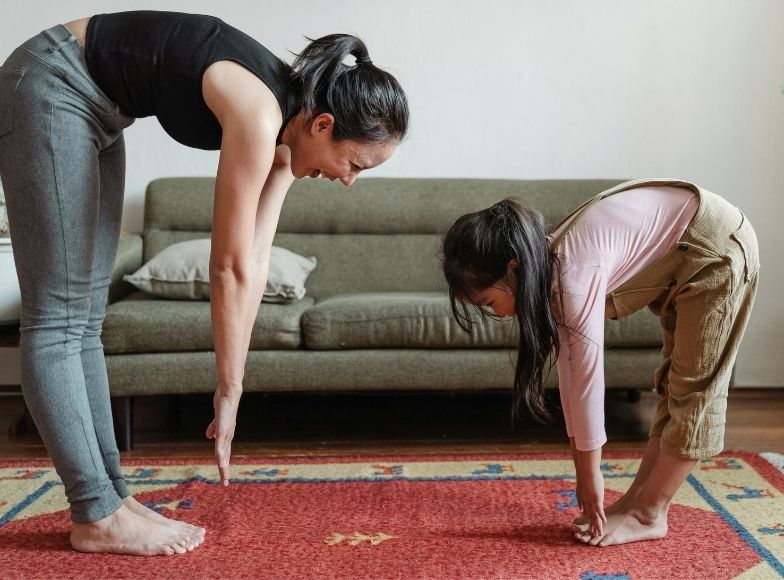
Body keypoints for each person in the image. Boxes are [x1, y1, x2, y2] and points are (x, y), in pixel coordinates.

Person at [0, 10, 408, 556]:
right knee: (58, 319)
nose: (349, 181)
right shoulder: (261, 114)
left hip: (100, 111)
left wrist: (234, 385)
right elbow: (228, 265)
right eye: (355, 163)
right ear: (323, 125)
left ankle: (111, 499)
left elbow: (256, 261)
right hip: (52, 84)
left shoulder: (287, 142)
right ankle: (95, 512)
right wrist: (227, 388)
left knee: (84, 322)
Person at [442, 178, 758, 547]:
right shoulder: (547, 271)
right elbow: (569, 373)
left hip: (715, 247)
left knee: (694, 391)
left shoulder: (572, 274)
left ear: (512, 269)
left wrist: (590, 477)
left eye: (488, 303)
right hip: (685, 249)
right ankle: (636, 503)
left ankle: (648, 513)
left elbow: (587, 380)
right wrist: (583, 471)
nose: (498, 314)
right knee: (672, 384)